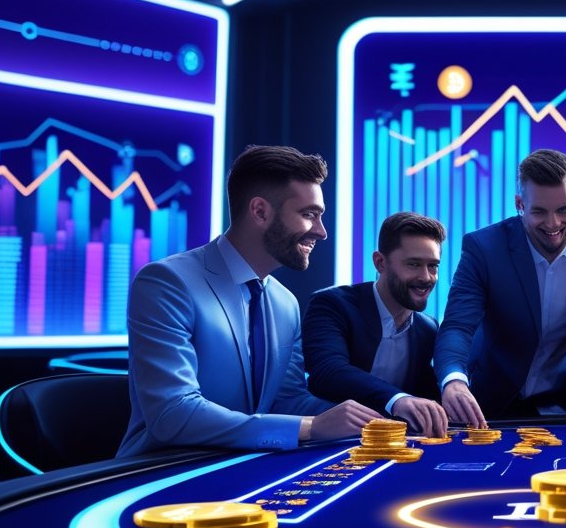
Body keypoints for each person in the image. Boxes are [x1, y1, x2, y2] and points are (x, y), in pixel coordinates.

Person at [118, 145, 380, 456]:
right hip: (162, 470)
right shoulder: (167, 282)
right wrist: (311, 427)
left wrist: (375, 420)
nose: (321, 232)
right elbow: (172, 414)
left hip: (245, 464)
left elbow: (286, 401)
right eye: (309, 215)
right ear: (260, 212)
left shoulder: (285, 303)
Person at [434, 149, 566, 423]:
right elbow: (457, 326)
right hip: (484, 405)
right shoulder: (484, 248)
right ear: (520, 204)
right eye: (539, 211)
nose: (553, 224)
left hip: (562, 407)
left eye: (564, 210)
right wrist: (453, 380)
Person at [304, 212, 447, 437]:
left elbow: (425, 394)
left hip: (394, 445)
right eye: (413, 264)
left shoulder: (428, 329)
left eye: (433, 266)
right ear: (380, 263)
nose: (426, 277)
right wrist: (397, 400)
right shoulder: (332, 304)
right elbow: (327, 371)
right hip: (328, 441)